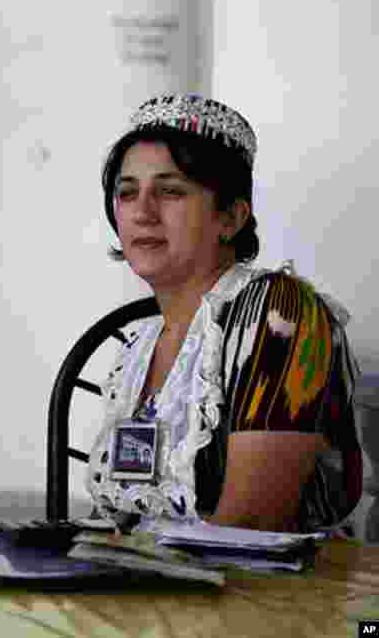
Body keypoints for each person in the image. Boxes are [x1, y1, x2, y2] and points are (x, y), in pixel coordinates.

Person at [85, 94, 362, 533]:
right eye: (127, 191)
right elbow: (121, 520)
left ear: (231, 217)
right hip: (146, 591)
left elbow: (249, 530)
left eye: (170, 191)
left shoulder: (282, 316)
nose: (142, 211)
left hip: (263, 596)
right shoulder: (137, 347)